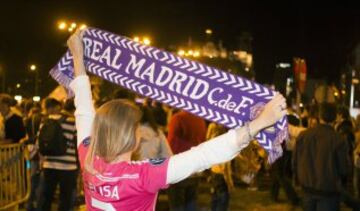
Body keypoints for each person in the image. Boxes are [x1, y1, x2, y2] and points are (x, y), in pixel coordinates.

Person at [66, 29, 287, 211]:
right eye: (135, 129)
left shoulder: (88, 159)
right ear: (129, 137)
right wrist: (259, 123)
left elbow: (83, 109)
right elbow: (203, 156)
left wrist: (78, 56)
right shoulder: (142, 175)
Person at [293, 102, 351, 211]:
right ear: (335, 117)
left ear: (319, 116)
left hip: (307, 190)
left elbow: (295, 162)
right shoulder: (338, 140)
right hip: (329, 193)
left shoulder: (303, 136)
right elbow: (344, 169)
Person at [37, 98, 78, 211]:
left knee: (47, 197)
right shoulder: (72, 121)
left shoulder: (44, 122)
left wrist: (42, 162)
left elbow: (39, 144)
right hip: (68, 166)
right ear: (58, 106)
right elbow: (76, 144)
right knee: (65, 198)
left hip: (49, 164)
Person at [167, 109, 207, 211]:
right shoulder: (200, 120)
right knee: (191, 202)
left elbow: (171, 146)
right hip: (195, 167)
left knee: (177, 204)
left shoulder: (177, 119)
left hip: (179, 168)